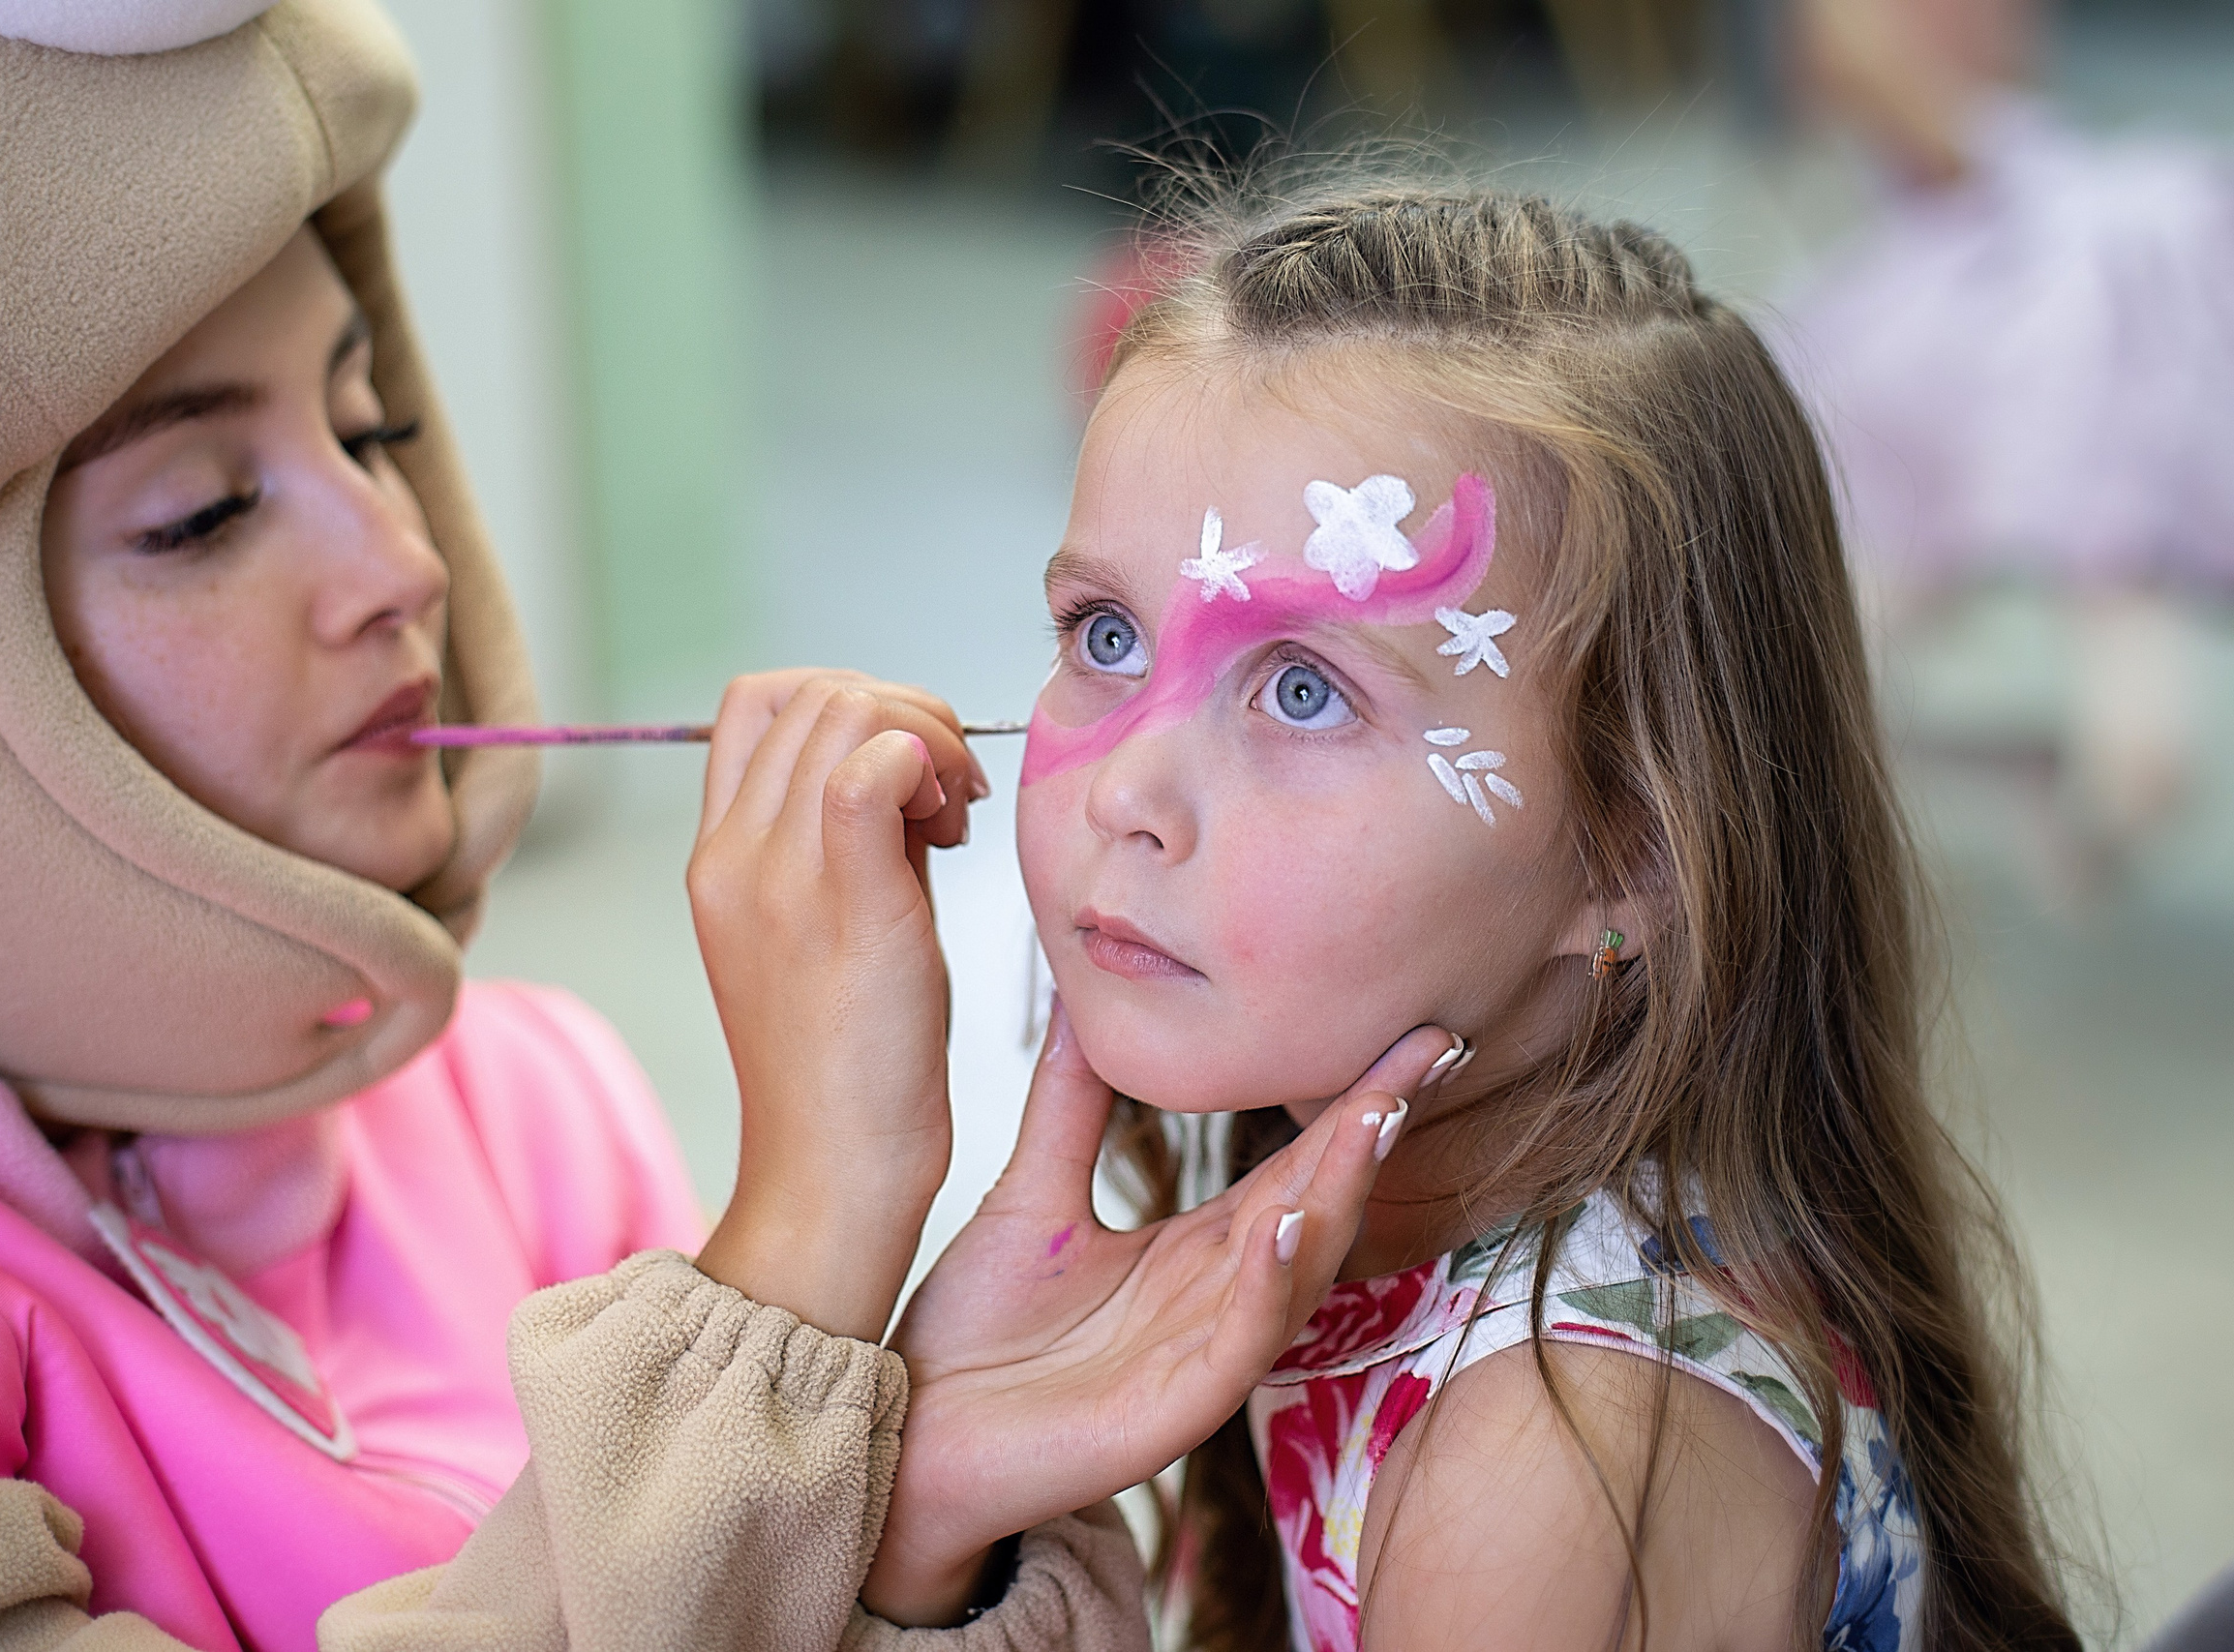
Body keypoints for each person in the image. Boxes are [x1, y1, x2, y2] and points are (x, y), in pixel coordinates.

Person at [0, 2, 1423, 1646]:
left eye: (373, 428)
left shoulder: (526, 1107)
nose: (401, 565)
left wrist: (916, 1539)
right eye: (202, 512)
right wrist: (795, 1254)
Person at [874, 175, 2085, 1650]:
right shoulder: (1413, 1210)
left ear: (1632, 846)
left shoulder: (1548, 1472)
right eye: (1106, 635)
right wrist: (938, 1492)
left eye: (1305, 690)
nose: (1129, 783)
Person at [1774, 0, 2234, 883]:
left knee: (1857, 635)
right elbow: (1881, 99)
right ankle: (2062, 782)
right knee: (1847, 639)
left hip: (2015, 301)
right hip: (1987, 304)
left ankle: (2072, 783)